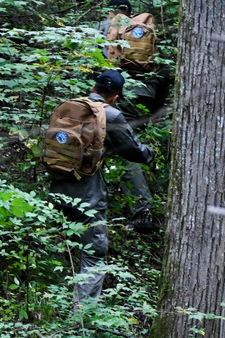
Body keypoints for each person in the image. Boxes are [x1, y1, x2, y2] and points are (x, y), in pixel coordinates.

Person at [48, 70, 155, 302]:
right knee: (93, 255)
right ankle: (82, 319)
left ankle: (49, 303)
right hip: (87, 194)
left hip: (56, 187)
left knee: (59, 246)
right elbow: (133, 151)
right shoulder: (111, 115)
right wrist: (150, 153)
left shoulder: (69, 107)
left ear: (94, 88)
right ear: (115, 97)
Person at [95, 0, 170, 233]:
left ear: (111, 10)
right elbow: (164, 70)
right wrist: (156, 107)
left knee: (123, 148)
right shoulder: (146, 30)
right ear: (129, 11)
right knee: (120, 143)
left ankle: (142, 210)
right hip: (144, 96)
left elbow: (89, 64)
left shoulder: (105, 26)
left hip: (114, 94)